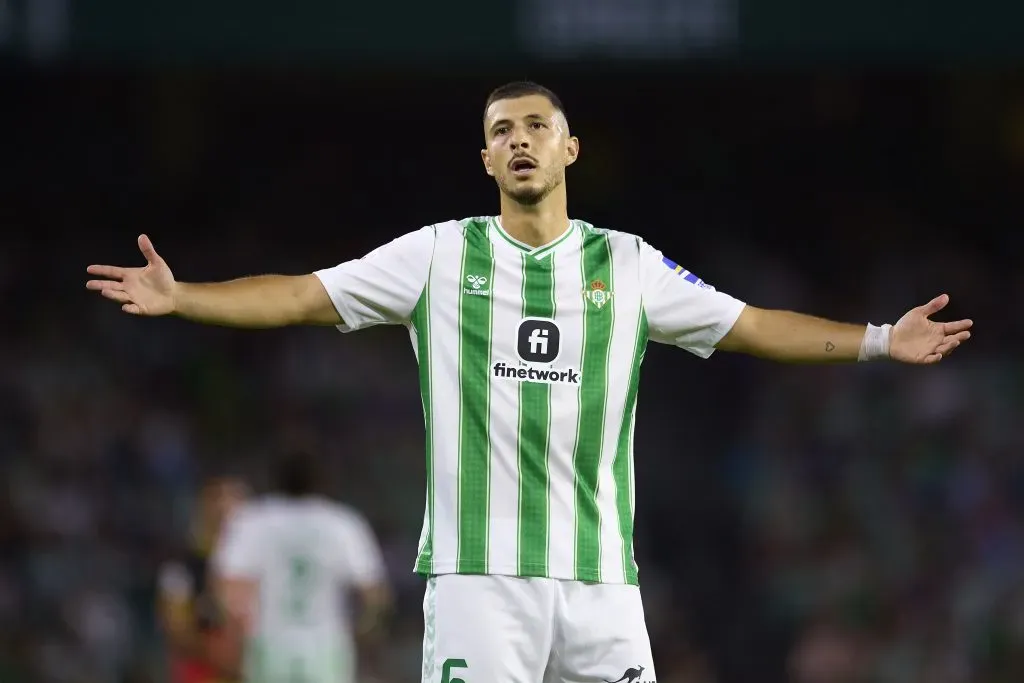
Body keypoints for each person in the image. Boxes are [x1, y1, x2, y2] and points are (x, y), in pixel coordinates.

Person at [87, 81, 973, 683]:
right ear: (485, 160)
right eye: (501, 131)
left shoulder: (625, 265)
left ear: (570, 147)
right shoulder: (438, 255)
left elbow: (748, 325)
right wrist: (183, 296)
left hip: (600, 579)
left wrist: (875, 339)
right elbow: (300, 295)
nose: (518, 141)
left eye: (535, 127)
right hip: (480, 579)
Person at [211, 450, 391, 683]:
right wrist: (360, 633)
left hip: (270, 646)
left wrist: (236, 640)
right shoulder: (341, 523)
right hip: (326, 649)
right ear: (321, 479)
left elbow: (228, 589)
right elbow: (375, 595)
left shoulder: (253, 521)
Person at [156, 477, 248, 683]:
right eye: (218, 502)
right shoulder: (180, 570)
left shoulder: (254, 570)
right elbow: (177, 630)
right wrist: (225, 660)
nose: (227, 513)